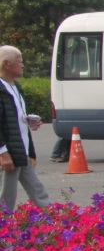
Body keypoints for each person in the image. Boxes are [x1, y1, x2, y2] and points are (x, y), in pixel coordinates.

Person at [0, 46, 51, 213]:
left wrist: (27, 120)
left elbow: (11, 116)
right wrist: (3, 153)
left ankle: (52, 220)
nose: (23, 65)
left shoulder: (15, 86)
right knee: (6, 197)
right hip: (9, 153)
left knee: (37, 189)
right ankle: (4, 229)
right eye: (20, 61)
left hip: (22, 149)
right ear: (7, 64)